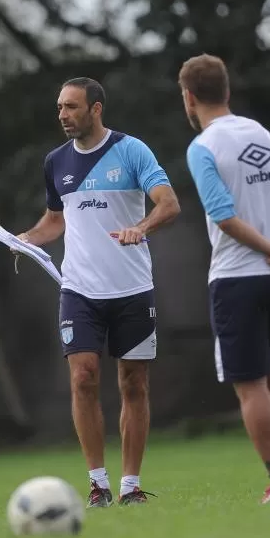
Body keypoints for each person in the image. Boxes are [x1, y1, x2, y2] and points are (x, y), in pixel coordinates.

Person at [16, 77, 180, 507]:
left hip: (132, 289)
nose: (63, 116)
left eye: (71, 107)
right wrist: (28, 238)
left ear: (96, 109)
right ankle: (98, 484)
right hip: (80, 290)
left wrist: (140, 228)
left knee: (134, 384)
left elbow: (169, 203)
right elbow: (55, 220)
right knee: (84, 377)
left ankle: (130, 486)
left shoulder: (131, 151)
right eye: (59, 108)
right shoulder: (55, 162)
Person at [180, 54, 270, 503]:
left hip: (238, 278)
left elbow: (223, 217)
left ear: (189, 98)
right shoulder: (266, 138)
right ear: (228, 92)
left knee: (252, 385)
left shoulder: (203, 146)